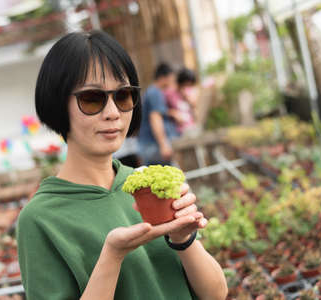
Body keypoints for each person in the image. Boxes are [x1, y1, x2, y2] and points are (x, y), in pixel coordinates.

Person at [17, 30, 227, 300]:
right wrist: (112, 255)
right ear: (57, 102)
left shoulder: (146, 186)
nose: (113, 113)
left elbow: (216, 294)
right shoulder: (40, 219)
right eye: (92, 99)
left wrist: (184, 239)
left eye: (123, 95)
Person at [137, 63, 179, 165]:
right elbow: (155, 118)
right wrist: (163, 145)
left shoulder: (152, 92)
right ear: (163, 78)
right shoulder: (155, 93)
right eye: (171, 80)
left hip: (150, 145)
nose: (171, 84)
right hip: (152, 146)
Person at [164, 68, 199, 135]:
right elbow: (163, 110)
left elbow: (195, 111)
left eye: (189, 85)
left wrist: (190, 101)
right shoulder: (169, 93)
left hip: (190, 127)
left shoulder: (189, 94)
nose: (187, 88)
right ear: (180, 83)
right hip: (177, 131)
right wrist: (173, 113)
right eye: (185, 85)